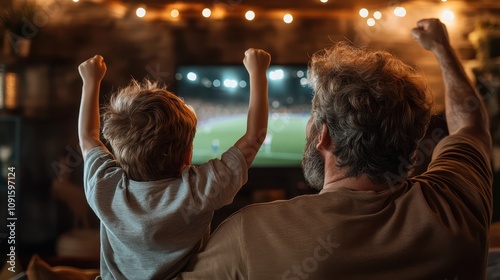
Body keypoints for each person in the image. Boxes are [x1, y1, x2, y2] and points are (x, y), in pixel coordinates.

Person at [177, 18, 492, 279]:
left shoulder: (248, 233)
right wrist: (441, 48)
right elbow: (470, 124)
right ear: (412, 142)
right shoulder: (457, 200)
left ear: (322, 136)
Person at [77, 48, 271, 279]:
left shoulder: (104, 188)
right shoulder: (198, 191)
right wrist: (258, 73)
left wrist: (90, 81)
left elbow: (88, 137)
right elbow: (254, 137)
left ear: (119, 155)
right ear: (187, 156)